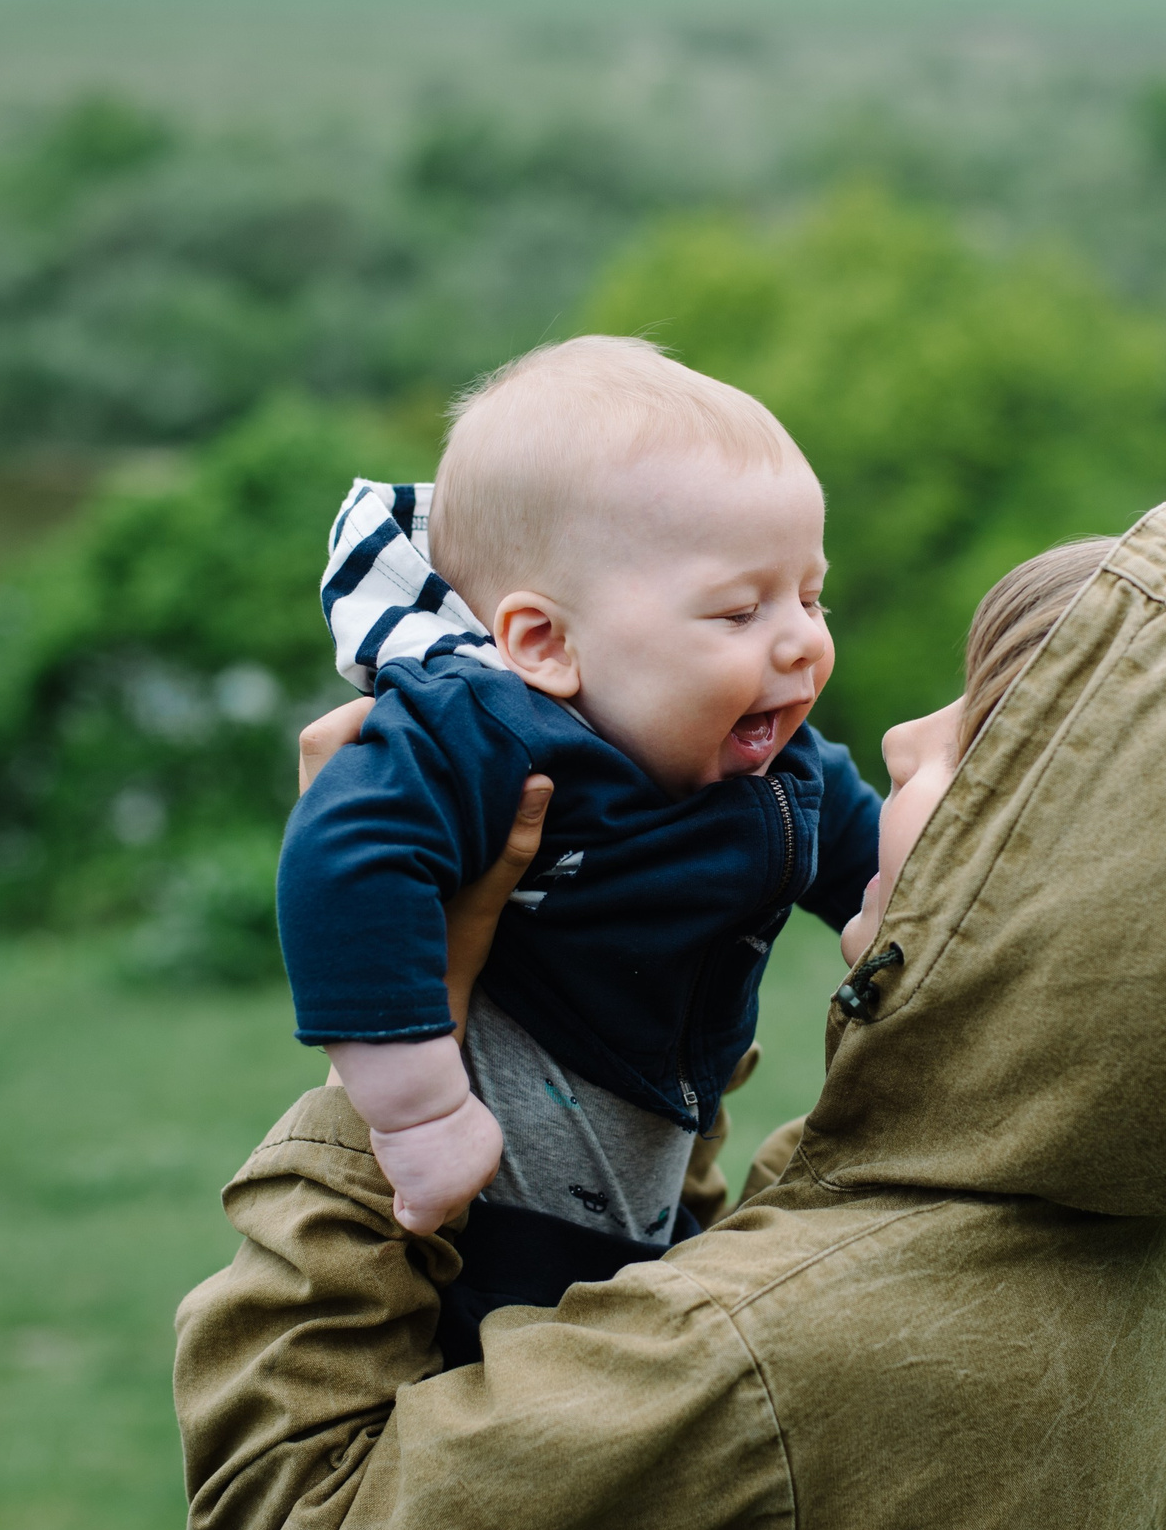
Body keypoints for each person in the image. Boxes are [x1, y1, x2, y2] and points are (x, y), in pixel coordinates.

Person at [178, 503, 1166, 1530]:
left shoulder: (777, 1350)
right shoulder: (1149, 1229)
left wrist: (411, 1072)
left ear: (1071, 889)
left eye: (971, 750)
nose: (896, 741)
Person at [277, 338, 879, 1358]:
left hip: (656, 1176)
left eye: (809, 598)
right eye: (739, 610)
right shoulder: (481, 731)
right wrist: (418, 1115)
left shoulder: (776, 768)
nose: (800, 642)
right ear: (545, 643)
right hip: (493, 1205)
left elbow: (875, 860)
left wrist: (915, 917)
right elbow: (345, 856)